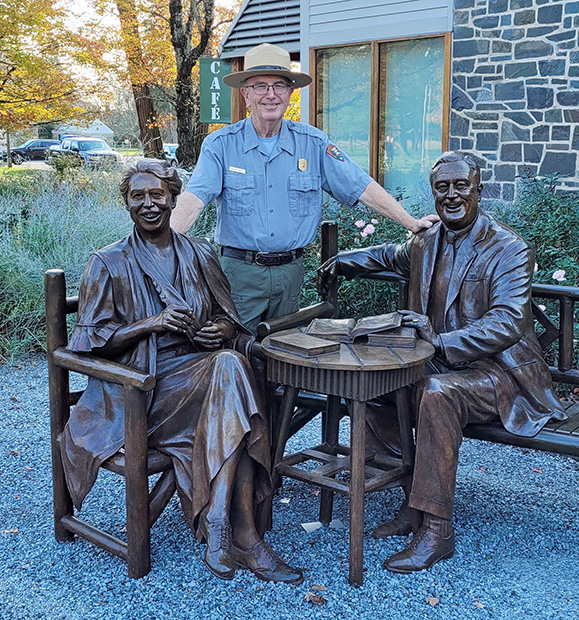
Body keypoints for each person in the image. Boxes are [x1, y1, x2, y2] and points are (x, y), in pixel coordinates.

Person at [318, 151, 566, 573]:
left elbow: (506, 323)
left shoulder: (509, 249)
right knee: (377, 382)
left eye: (461, 186)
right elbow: (388, 255)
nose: (451, 195)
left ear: (479, 190)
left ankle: (437, 528)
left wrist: (440, 341)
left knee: (436, 394)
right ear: (433, 192)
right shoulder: (426, 239)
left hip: (499, 373)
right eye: (442, 187)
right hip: (445, 364)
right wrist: (343, 261)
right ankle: (413, 501)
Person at [59, 159, 303, 584]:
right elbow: (87, 344)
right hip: (141, 392)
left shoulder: (199, 254)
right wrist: (148, 324)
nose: (149, 204)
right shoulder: (108, 261)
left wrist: (218, 330)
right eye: (138, 196)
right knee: (234, 386)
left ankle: (225, 529)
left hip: (201, 377)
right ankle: (238, 532)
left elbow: (229, 320)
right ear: (127, 203)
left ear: (174, 199)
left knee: (229, 367)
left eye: (158, 195)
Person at [171, 42, 438, 334]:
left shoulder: (313, 144)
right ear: (245, 94)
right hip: (239, 274)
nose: (270, 95)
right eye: (260, 86)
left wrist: (411, 222)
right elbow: (194, 198)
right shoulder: (221, 146)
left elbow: (361, 186)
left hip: (291, 274)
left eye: (279, 86)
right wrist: (157, 242)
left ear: (290, 93)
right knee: (235, 351)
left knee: (286, 354)